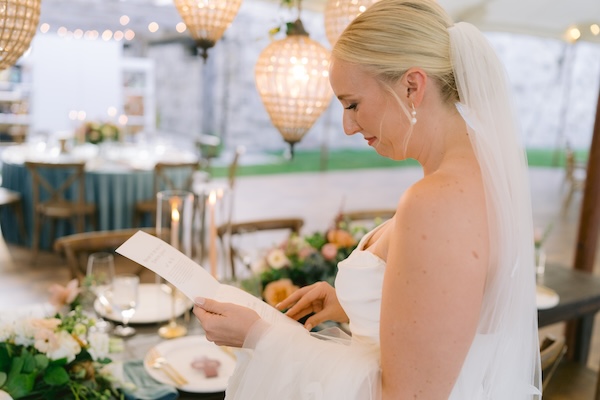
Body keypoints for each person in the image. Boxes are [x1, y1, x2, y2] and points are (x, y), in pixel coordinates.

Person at [193, 0, 542, 398]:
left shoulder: (438, 201)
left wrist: (259, 335)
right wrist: (356, 306)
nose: (346, 126)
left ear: (412, 86)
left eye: (352, 104)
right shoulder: (480, 178)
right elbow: (458, 315)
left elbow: (407, 395)